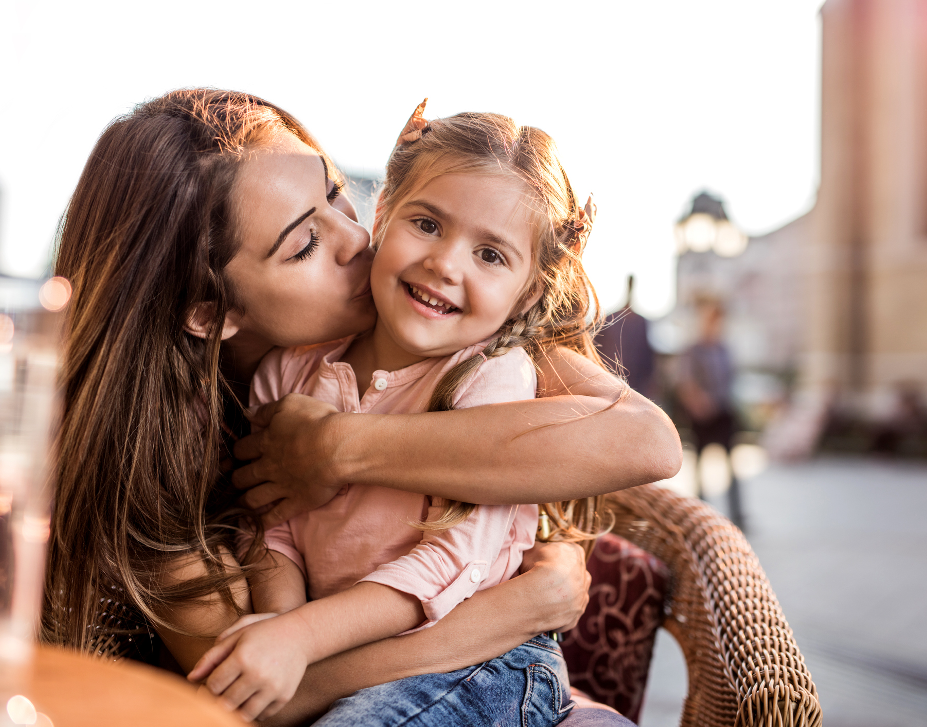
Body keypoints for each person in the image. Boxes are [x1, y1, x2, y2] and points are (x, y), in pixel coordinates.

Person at [44, 89, 682, 726]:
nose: (357, 238)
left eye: (337, 194)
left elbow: (648, 442)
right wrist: (517, 610)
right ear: (213, 312)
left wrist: (334, 448)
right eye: (304, 246)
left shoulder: (458, 330)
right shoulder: (151, 467)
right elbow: (271, 696)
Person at [189, 103, 610, 725]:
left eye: (491, 255)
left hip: (485, 665)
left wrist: (302, 637)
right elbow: (269, 521)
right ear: (383, 211)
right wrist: (278, 627)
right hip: (347, 654)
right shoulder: (291, 369)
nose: (446, 263)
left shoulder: (492, 379)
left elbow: (452, 561)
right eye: (428, 224)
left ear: (529, 291)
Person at [677, 299, 744, 529]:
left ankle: (738, 514)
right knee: (699, 467)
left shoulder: (725, 349)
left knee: (732, 466)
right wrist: (699, 403)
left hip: (724, 411)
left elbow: (731, 381)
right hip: (702, 415)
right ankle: (702, 514)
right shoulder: (693, 350)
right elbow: (685, 383)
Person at [594, 275, 657, 399]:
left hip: (636, 385)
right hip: (610, 383)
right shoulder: (609, 320)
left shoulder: (640, 323)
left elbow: (647, 355)